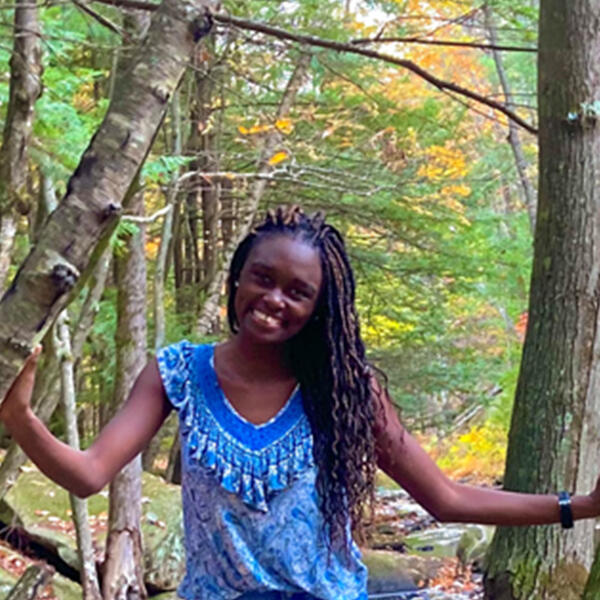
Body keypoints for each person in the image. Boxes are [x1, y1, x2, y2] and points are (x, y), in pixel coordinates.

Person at [1, 206, 599, 600]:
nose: (273, 299)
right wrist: (21, 417)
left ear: (320, 308)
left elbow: (444, 498)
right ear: (237, 277)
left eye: (298, 291)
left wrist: (582, 506)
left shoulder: (345, 391)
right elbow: (87, 475)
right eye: (262, 277)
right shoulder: (177, 372)